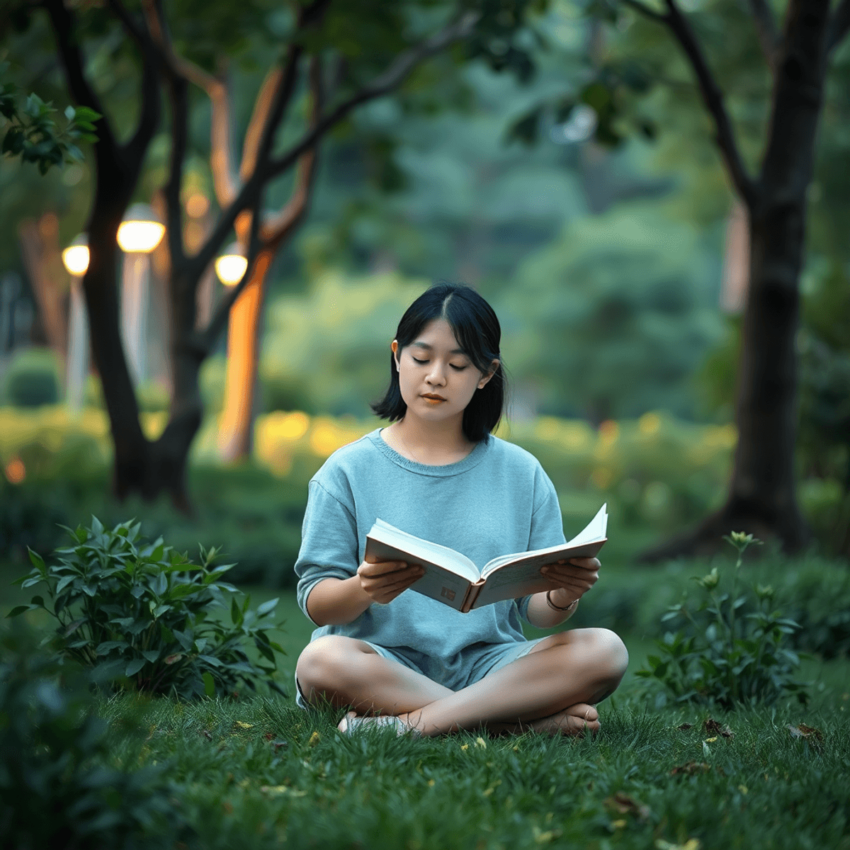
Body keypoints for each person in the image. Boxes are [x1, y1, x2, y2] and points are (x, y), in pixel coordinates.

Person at [294, 283, 628, 737]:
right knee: (320, 661)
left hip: (492, 664)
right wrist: (365, 587)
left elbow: (538, 612)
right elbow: (317, 603)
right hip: (381, 663)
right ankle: (516, 723)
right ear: (396, 356)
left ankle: (410, 726)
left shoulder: (521, 473)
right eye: (421, 358)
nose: (436, 376)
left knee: (606, 651)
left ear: (486, 374)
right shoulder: (347, 471)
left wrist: (564, 594)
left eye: (457, 365)